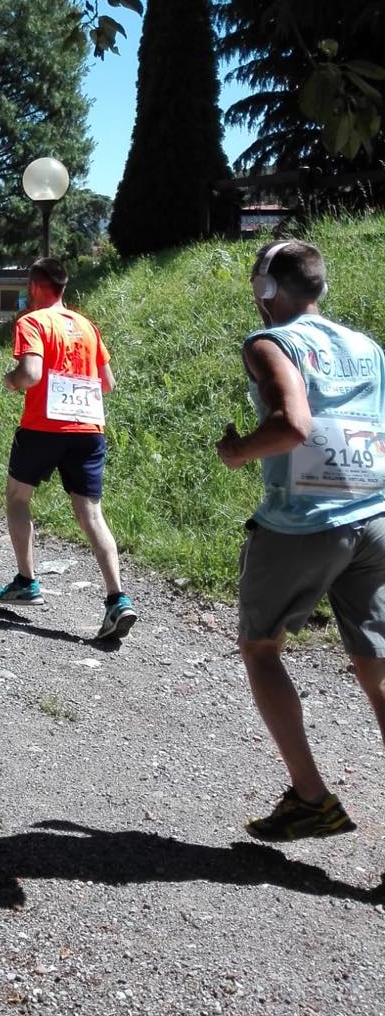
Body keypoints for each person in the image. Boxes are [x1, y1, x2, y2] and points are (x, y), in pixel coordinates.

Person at [216, 239, 385, 842]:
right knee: (378, 667)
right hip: (374, 520)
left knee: (261, 647)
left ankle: (312, 800)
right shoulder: (367, 347)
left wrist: (238, 450)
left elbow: (292, 423)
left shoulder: (270, 342)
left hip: (303, 524)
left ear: (268, 290)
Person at [0, 256, 137, 641]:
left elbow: (31, 374)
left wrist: (11, 381)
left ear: (35, 286)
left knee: (18, 497)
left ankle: (26, 581)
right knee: (91, 513)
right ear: (64, 286)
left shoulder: (32, 322)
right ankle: (117, 599)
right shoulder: (87, 326)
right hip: (89, 428)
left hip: (43, 427)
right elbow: (107, 382)